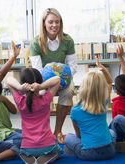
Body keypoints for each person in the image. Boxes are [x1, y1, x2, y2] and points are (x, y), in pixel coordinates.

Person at [30, 8, 77, 143]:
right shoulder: (36, 42)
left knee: (68, 92)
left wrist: (62, 79)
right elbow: (37, 70)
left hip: (64, 79)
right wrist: (50, 83)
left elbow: (72, 66)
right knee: (40, 93)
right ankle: (43, 132)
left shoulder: (67, 40)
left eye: (57, 22)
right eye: (50, 22)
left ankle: (57, 131)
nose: (54, 25)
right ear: (44, 23)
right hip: (43, 80)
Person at [64, 58, 116, 160]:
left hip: (88, 153)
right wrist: (103, 69)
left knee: (69, 137)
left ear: (83, 87)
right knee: (112, 133)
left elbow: (78, 135)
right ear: (102, 88)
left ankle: (73, 152)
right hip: (110, 151)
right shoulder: (103, 102)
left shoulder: (75, 110)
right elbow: (110, 82)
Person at [7, 68, 61, 164]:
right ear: (40, 82)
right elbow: (57, 79)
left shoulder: (20, 101)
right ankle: (46, 158)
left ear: (22, 82)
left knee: (21, 147)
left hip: (27, 147)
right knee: (58, 150)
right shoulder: (45, 99)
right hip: (47, 145)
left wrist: (20, 88)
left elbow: (8, 80)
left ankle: (27, 157)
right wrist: (40, 87)